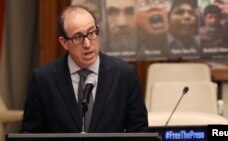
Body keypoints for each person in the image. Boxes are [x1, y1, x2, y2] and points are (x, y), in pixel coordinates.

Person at [21, 5, 148, 133]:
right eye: (78, 37)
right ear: (64, 42)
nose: (87, 44)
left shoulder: (125, 75)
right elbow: (30, 134)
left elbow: (139, 131)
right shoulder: (43, 79)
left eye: (92, 33)